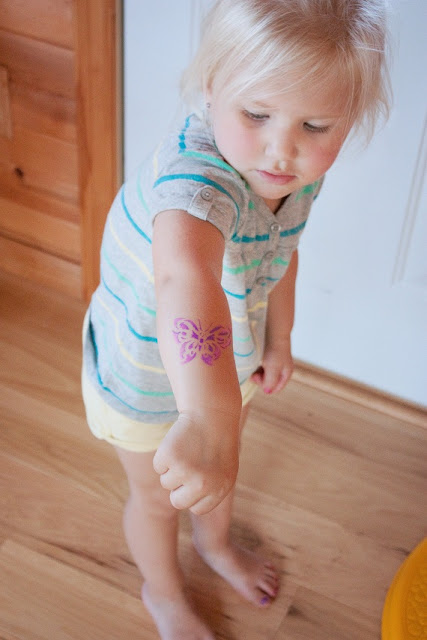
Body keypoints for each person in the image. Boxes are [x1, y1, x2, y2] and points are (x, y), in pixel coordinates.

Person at [81, 1, 391, 637]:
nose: (283, 149)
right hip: (142, 376)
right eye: (256, 115)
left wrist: (279, 337)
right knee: (158, 499)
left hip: (228, 363)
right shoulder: (197, 182)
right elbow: (185, 274)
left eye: (316, 125)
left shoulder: (293, 175)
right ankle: (164, 594)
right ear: (211, 87)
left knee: (223, 465)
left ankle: (215, 544)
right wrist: (207, 416)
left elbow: (283, 251)